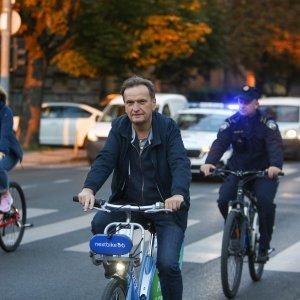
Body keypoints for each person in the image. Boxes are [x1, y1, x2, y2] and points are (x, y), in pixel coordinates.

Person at [78, 75, 191, 300]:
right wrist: (89, 188)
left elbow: (180, 163)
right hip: (128, 203)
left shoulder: (167, 128)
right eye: (130, 103)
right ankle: (118, 275)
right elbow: (105, 159)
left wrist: (177, 194)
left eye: (141, 101)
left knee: (168, 265)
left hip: (165, 208)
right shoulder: (119, 127)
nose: (135, 108)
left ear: (153, 103)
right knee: (100, 222)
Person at [201, 85, 283, 262]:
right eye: (240, 102)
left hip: (263, 172)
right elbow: (220, 143)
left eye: (247, 102)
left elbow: (274, 144)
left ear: (256, 103)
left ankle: (263, 247)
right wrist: (210, 162)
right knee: (224, 200)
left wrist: (275, 165)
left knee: (265, 203)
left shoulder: (267, 123)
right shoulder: (231, 122)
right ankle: (236, 233)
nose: (242, 105)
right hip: (238, 171)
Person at [0, 86, 23, 212]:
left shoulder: (5, 111)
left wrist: (1, 150)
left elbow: (5, 133)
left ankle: (4, 194)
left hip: (9, 152)